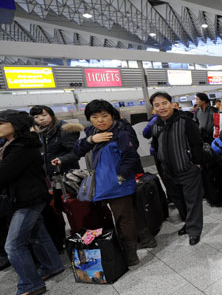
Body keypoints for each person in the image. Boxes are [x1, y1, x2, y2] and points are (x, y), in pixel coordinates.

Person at [52, 100, 155, 266]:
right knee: (129, 213)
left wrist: (120, 177)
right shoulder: (92, 132)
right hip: (102, 182)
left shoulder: (122, 132)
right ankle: (148, 239)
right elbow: (78, 150)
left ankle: (131, 255)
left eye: (104, 115)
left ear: (112, 115)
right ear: (89, 119)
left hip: (118, 184)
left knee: (123, 217)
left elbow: (130, 156)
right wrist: (91, 140)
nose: (100, 120)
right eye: (95, 116)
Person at [0, 110, 64, 295]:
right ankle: (52, 265)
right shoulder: (11, 145)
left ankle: (31, 283)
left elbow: (4, 175)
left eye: (2, 123)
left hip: (28, 198)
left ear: (15, 124)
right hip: (27, 196)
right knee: (37, 234)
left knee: (13, 245)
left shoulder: (23, 147)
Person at [150, 92, 204, 245]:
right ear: (153, 108)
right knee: (178, 201)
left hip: (187, 169)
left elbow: (196, 144)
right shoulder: (157, 125)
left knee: (192, 202)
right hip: (168, 172)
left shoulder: (185, 121)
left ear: (172, 103)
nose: (161, 107)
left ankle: (194, 231)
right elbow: (155, 146)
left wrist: (196, 164)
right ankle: (188, 224)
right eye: (157, 105)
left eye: (164, 103)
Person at [30, 105, 84, 252]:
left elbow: (76, 152)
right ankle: (64, 239)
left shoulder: (65, 129)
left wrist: (61, 160)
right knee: (58, 206)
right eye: (36, 117)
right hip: (53, 177)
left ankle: (82, 234)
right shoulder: (42, 133)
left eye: (44, 115)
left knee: (73, 207)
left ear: (52, 115)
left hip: (68, 176)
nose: (41, 119)